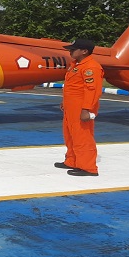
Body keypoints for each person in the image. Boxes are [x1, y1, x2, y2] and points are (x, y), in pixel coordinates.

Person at [56, 38, 103, 177]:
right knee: (70, 134)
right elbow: (73, 87)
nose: (70, 51)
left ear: (84, 51)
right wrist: (65, 102)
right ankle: (72, 161)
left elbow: (92, 90)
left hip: (81, 107)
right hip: (71, 107)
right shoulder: (76, 65)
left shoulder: (91, 67)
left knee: (83, 136)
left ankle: (88, 167)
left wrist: (86, 109)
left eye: (73, 49)